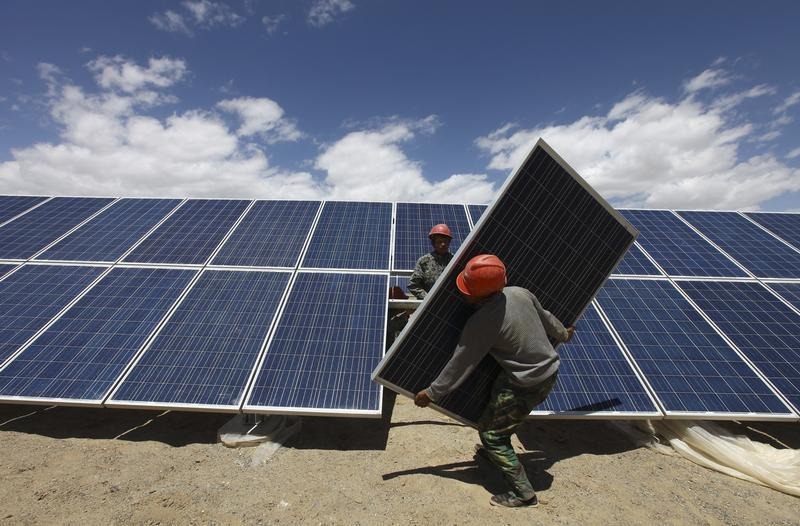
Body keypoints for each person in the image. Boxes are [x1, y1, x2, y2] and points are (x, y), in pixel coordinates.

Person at [414, 254, 575, 508]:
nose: (463, 293)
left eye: (467, 289)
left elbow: (461, 363)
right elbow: (546, 318)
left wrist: (432, 393)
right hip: (548, 371)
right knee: (496, 407)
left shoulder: (482, 322)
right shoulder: (520, 292)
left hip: (526, 383)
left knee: (491, 435)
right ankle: (497, 454)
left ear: (477, 294)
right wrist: (563, 334)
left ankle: (524, 495)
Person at [408, 224, 454, 300]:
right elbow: (413, 285)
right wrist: (428, 299)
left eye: (446, 242)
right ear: (433, 243)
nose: (443, 244)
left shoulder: (455, 260)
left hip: (450, 304)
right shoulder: (424, 262)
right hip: (430, 308)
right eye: (439, 241)